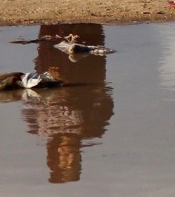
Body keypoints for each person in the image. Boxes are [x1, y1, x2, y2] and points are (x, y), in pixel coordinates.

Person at [19, 23, 115, 182]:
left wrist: (51, 82)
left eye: (65, 162)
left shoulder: (38, 127)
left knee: (53, 26)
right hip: (86, 68)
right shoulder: (93, 130)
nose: (71, 158)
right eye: (75, 163)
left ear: (55, 156)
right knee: (87, 24)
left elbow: (30, 95)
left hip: (51, 66)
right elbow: (107, 102)